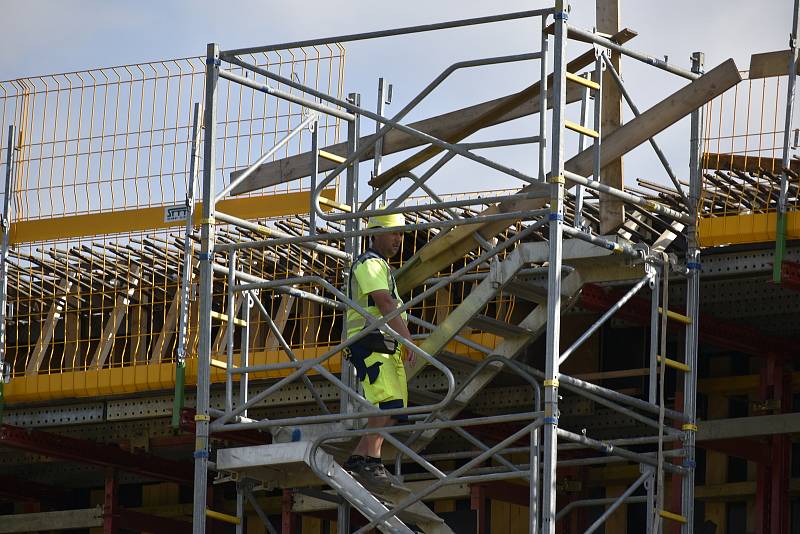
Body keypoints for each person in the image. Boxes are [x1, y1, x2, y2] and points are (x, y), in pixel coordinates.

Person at [342, 210, 416, 490]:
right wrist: (407, 338)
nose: (398, 239)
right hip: (370, 340)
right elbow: (384, 303)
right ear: (375, 232)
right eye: (393, 232)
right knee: (387, 402)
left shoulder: (382, 266)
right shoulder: (369, 263)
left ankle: (360, 457)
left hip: (385, 342)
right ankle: (372, 461)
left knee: (396, 407)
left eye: (400, 233)